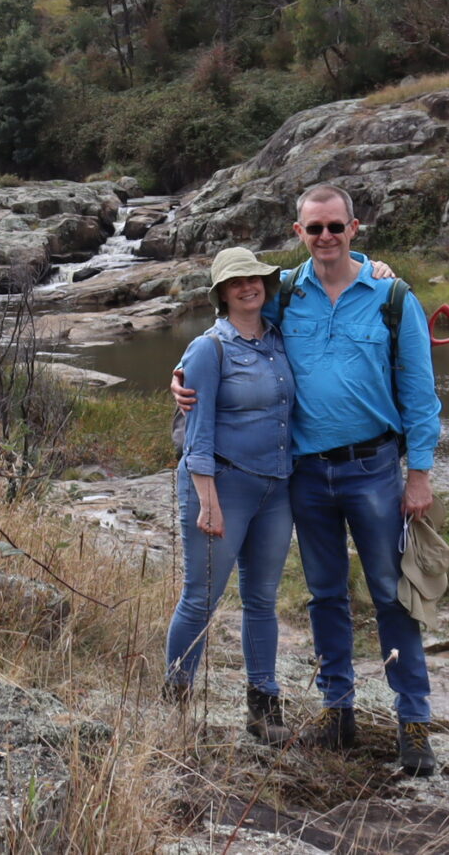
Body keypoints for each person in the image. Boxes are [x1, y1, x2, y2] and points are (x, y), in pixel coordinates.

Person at [171, 183, 444, 776]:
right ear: (298, 233)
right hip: (306, 473)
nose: (325, 237)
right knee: (324, 595)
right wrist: (180, 371)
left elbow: (422, 396)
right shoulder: (285, 294)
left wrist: (418, 475)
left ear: (355, 227)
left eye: (335, 227)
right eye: (313, 228)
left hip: (375, 469)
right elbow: (229, 330)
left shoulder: (393, 297)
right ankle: (335, 708)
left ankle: (415, 721)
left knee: (391, 593)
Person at [163, 246, 296, 743]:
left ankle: (263, 707)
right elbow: (196, 432)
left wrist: (374, 267)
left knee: (262, 599)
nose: (248, 287)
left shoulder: (279, 338)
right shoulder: (208, 348)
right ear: (221, 292)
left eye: (255, 278)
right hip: (221, 485)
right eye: (236, 281)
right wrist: (209, 500)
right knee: (200, 599)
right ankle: (175, 701)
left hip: (276, 488)